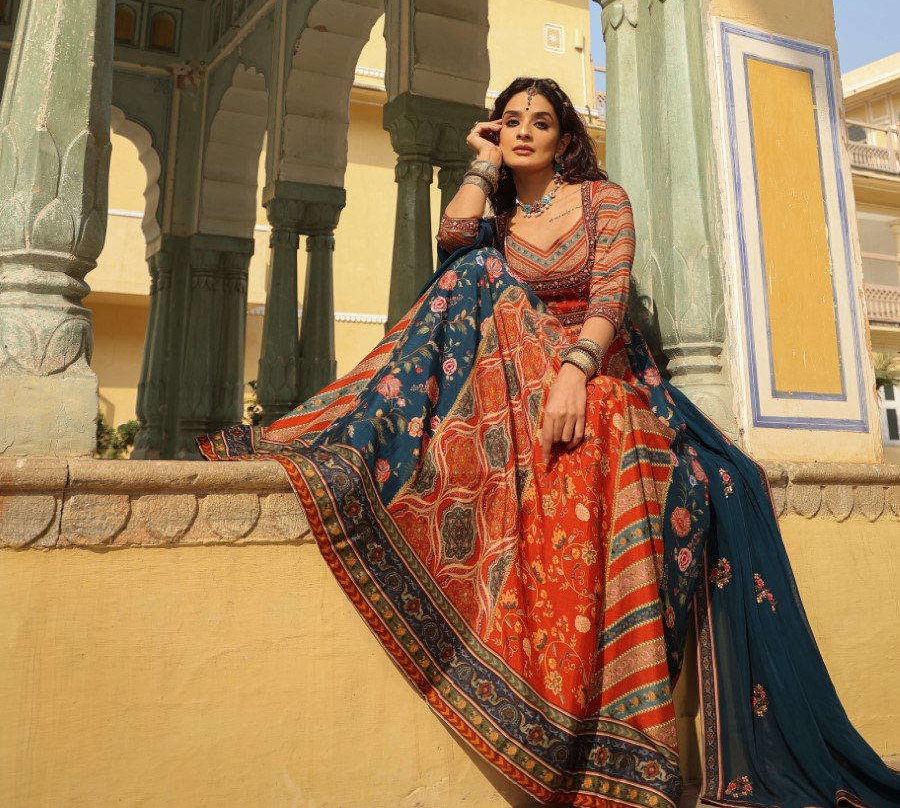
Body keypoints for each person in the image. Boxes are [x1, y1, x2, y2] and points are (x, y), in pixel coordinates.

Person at [199, 76, 900, 808]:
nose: (524, 131)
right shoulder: (497, 216)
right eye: (510, 122)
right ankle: (363, 437)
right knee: (471, 270)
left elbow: (608, 297)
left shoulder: (604, 201)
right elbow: (451, 243)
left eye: (540, 122)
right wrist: (480, 163)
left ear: (566, 138)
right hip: (511, 375)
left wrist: (573, 371)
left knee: (484, 281)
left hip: (599, 373)